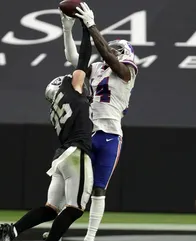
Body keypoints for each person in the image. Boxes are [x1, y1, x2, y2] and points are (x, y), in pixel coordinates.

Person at [0, 20, 93, 241]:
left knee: (51, 208)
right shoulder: (73, 92)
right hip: (76, 154)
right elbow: (84, 58)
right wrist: (87, 29)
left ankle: (13, 230)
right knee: (75, 208)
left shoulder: (55, 108)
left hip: (60, 158)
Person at [59, 3, 139, 241]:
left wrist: (91, 25)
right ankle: (58, 231)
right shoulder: (96, 68)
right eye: (111, 49)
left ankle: (90, 237)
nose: (111, 51)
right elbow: (74, 58)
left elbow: (107, 55)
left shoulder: (128, 71)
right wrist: (67, 28)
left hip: (111, 135)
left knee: (98, 189)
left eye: (116, 50)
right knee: (71, 184)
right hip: (88, 132)